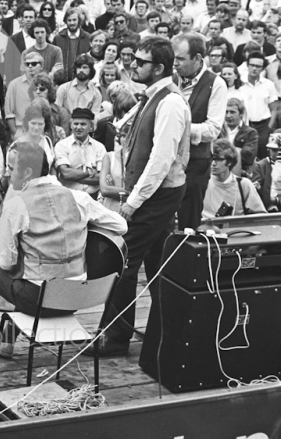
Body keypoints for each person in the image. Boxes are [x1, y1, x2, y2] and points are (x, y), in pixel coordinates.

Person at [0, 142, 127, 357]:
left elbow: (6, 263)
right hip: (79, 297)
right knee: (31, 271)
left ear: (27, 172)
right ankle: (6, 341)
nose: (7, 174)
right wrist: (79, 228)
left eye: (11, 169)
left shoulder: (16, 205)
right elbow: (121, 226)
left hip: (40, 300)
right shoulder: (78, 198)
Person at [95, 37, 191, 357]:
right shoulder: (152, 96)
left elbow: (161, 162)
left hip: (158, 195)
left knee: (122, 258)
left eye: (140, 60)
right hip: (152, 192)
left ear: (159, 68)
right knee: (157, 263)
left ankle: (117, 338)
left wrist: (133, 203)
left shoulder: (171, 103)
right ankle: (166, 334)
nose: (132, 64)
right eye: (133, 58)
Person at [172, 33, 227, 230]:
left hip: (196, 164)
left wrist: (178, 128)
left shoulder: (216, 83)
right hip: (168, 160)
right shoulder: (171, 79)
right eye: (174, 58)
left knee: (188, 223)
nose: (175, 63)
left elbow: (212, 129)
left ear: (197, 59)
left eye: (180, 59)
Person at [202, 139, 266, 219]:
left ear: (230, 162)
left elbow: (261, 216)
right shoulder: (202, 183)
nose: (213, 164)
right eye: (212, 159)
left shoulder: (244, 184)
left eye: (219, 160)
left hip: (236, 229)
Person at [55, 107, 107, 198]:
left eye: (83, 124)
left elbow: (102, 177)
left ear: (90, 127)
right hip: (69, 197)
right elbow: (65, 174)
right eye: (76, 124)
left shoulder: (99, 147)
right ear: (71, 125)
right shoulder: (62, 145)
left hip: (94, 198)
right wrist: (90, 172)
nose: (78, 127)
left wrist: (74, 176)